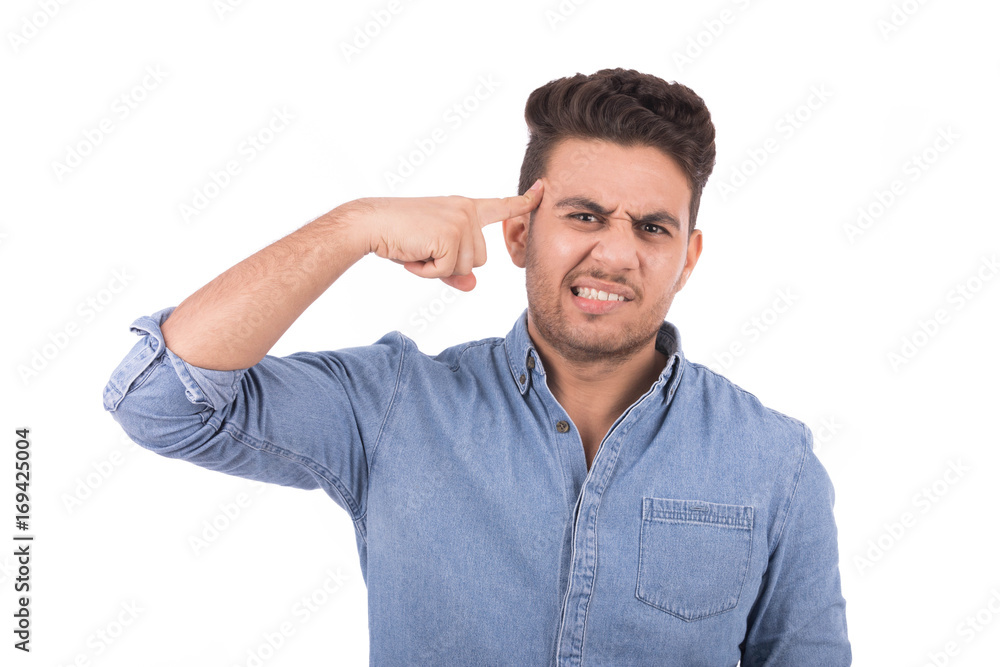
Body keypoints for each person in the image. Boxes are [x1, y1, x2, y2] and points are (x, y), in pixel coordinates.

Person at [103, 68, 851, 665]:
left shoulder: (774, 461)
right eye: (584, 215)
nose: (617, 253)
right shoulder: (396, 408)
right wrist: (354, 225)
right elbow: (162, 398)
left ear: (686, 258)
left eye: (653, 228)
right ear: (520, 234)